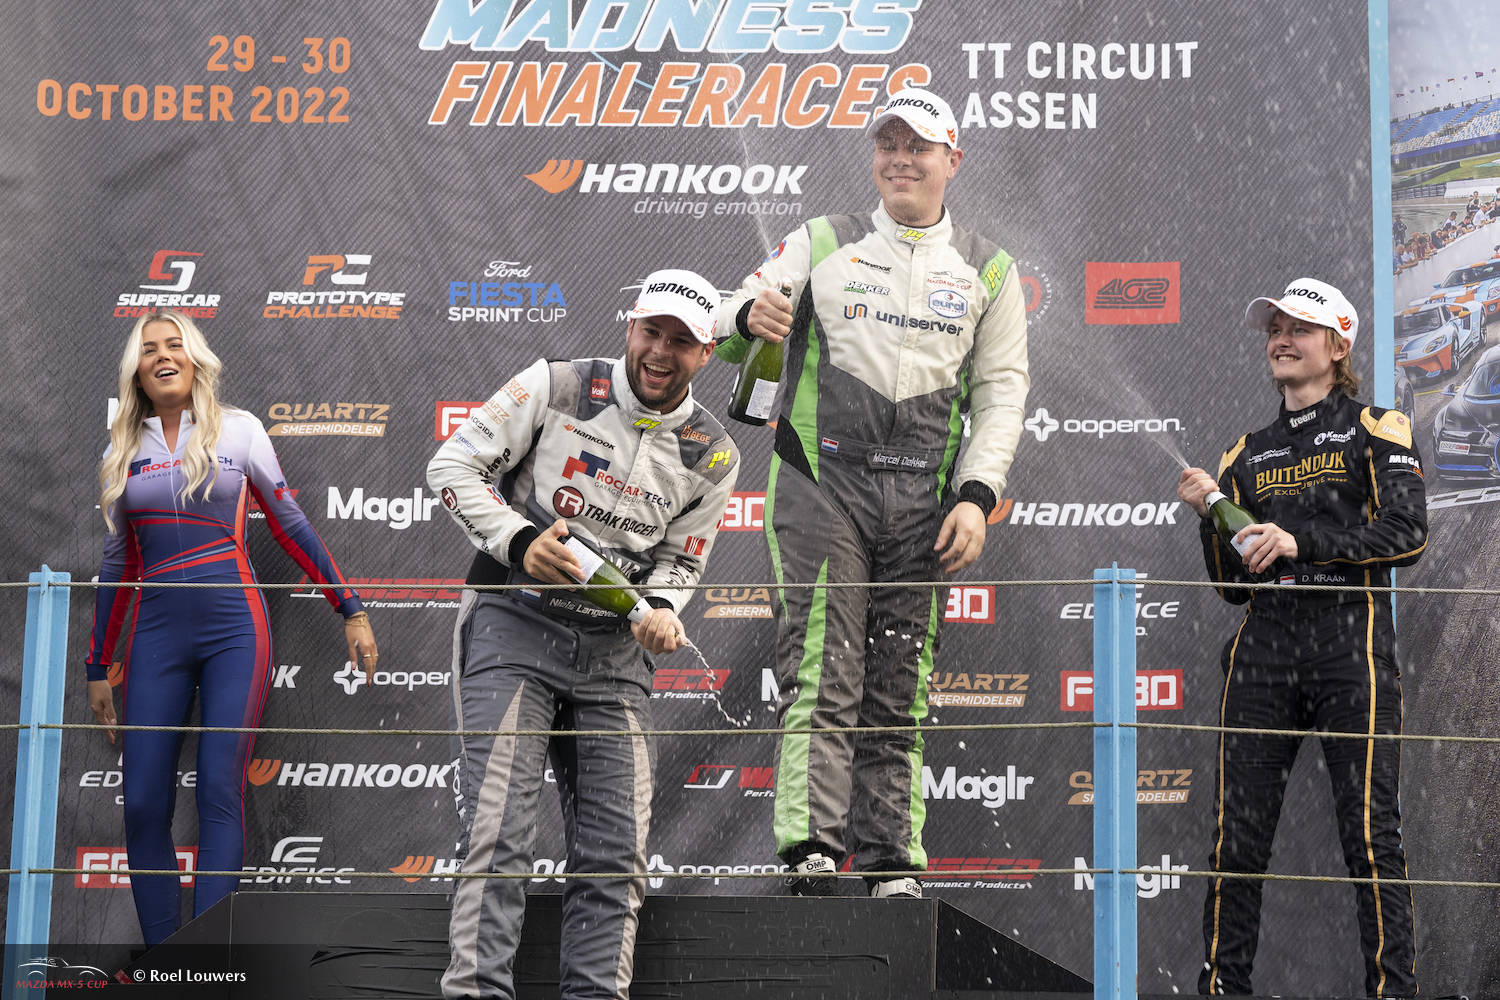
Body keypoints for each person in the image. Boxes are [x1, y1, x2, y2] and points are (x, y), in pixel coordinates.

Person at [715, 86, 1028, 899]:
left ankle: (891, 861)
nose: (900, 159)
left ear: (953, 160)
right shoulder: (824, 239)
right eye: (888, 144)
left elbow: (1002, 393)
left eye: (917, 146)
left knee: (900, 681)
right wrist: (748, 318)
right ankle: (812, 852)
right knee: (823, 668)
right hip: (824, 482)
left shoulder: (990, 268)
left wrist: (976, 494)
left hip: (926, 498)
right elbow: (723, 320)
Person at [429, 269, 739, 1000]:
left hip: (615, 656)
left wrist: (662, 608)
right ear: (630, 325)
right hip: (515, 622)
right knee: (499, 835)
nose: (660, 352)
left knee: (615, 857)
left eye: (682, 342)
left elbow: (682, 560)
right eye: (651, 331)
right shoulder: (558, 384)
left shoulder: (713, 452)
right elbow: (452, 464)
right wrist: (517, 540)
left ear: (707, 353)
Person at [86, 309, 376, 946]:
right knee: (143, 803)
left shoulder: (238, 430)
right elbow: (117, 563)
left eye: (175, 345)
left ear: (195, 360)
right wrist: (96, 665)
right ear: (136, 370)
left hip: (234, 631)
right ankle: (167, 963)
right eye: (149, 349)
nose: (163, 356)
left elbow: (290, 524)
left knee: (219, 786)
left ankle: (205, 958)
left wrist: (349, 607)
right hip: (156, 638)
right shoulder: (121, 449)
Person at [1176, 278, 1425, 997]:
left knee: (1372, 837)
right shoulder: (1244, 453)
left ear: (1338, 346)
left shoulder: (1378, 427)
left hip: (1351, 645)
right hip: (1265, 651)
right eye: (1275, 329)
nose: (1281, 339)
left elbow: (1408, 533)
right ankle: (1223, 990)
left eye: (1300, 329)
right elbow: (1233, 586)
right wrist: (1211, 517)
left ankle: (1394, 992)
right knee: (1237, 840)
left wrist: (1300, 542)